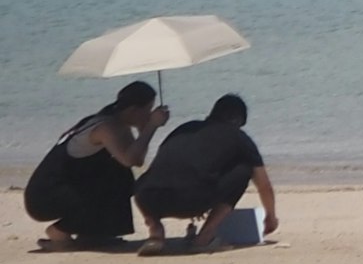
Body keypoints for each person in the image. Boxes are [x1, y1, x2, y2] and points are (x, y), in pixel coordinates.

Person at [22, 81, 161, 250]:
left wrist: (143, 130)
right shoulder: (105, 127)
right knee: (119, 178)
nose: (149, 115)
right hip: (44, 197)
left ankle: (93, 234)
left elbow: (137, 160)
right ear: (133, 110)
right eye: (147, 110)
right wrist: (151, 127)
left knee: (121, 175)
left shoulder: (116, 123)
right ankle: (59, 231)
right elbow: (129, 160)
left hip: (62, 190)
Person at [134, 95, 273, 250]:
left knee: (146, 179)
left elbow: (169, 163)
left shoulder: (185, 128)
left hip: (149, 199)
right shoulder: (239, 137)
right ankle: (205, 237)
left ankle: (156, 231)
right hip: (192, 200)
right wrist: (270, 217)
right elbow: (264, 185)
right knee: (243, 170)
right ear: (237, 121)